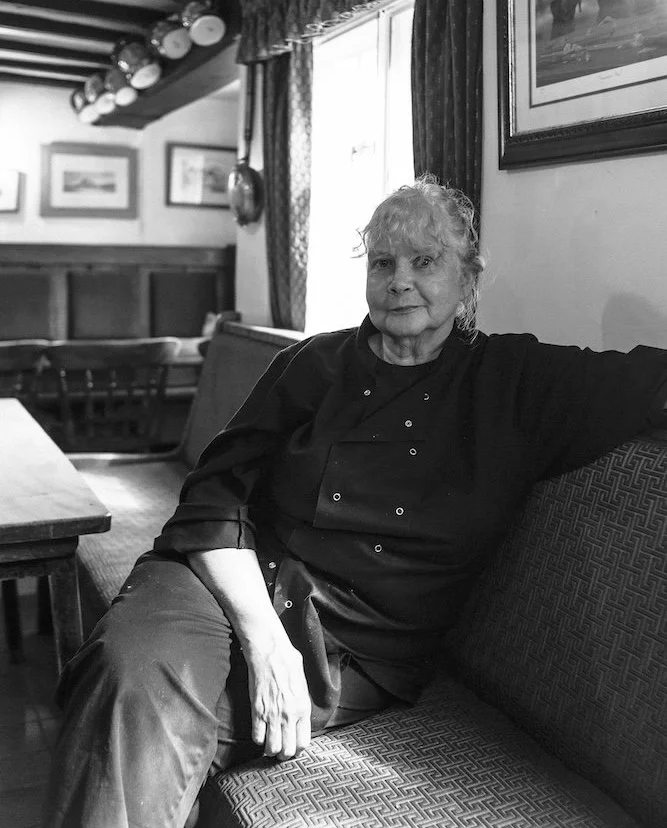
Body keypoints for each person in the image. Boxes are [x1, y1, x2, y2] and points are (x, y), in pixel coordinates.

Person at [44, 177, 667, 828]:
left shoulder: (518, 383)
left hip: (354, 652)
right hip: (217, 586)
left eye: (424, 261)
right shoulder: (312, 364)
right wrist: (264, 641)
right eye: (382, 262)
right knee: (129, 675)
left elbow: (648, 384)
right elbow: (213, 495)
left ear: (470, 279)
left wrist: (287, 658)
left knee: (146, 723)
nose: (399, 281)